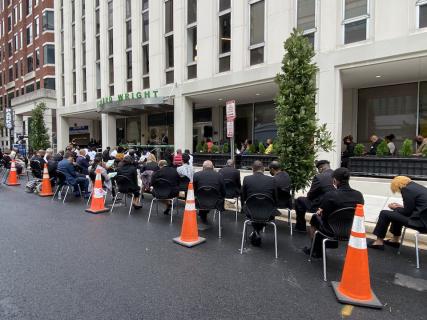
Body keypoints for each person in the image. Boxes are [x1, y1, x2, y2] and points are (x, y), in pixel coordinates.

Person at [303, 167, 364, 258]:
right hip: (352, 230)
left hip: (332, 230)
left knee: (315, 218)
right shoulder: (359, 195)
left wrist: (320, 212)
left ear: (335, 180)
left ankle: (315, 250)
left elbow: (324, 216)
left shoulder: (331, 195)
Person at [368, 176, 427, 250]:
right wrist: (400, 207)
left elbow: (407, 212)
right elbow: (414, 207)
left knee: (384, 213)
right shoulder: (417, 188)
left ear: (397, 185)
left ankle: (378, 242)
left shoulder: (406, 189)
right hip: (423, 221)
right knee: (396, 213)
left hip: (420, 224)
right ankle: (394, 241)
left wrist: (395, 208)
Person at [241, 160, 278, 246]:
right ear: (264, 169)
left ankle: (256, 232)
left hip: (251, 212)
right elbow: (275, 199)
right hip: (267, 213)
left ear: (252, 169)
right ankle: (256, 232)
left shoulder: (247, 179)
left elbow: (243, 197)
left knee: (254, 210)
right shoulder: (272, 180)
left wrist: (243, 207)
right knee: (262, 212)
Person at [294, 160, 334, 232]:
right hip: (334, 204)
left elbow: (311, 195)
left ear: (320, 168)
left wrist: (309, 196)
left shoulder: (319, 177)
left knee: (299, 200)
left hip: (320, 205)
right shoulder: (337, 175)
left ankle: (301, 227)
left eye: (318, 170)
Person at [193, 160, 226, 226]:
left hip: (199, 202)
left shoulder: (196, 175)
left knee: (203, 196)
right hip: (216, 203)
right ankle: (203, 213)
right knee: (210, 196)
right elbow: (223, 192)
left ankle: (203, 213)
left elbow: (193, 190)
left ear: (203, 167)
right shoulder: (220, 176)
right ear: (213, 167)